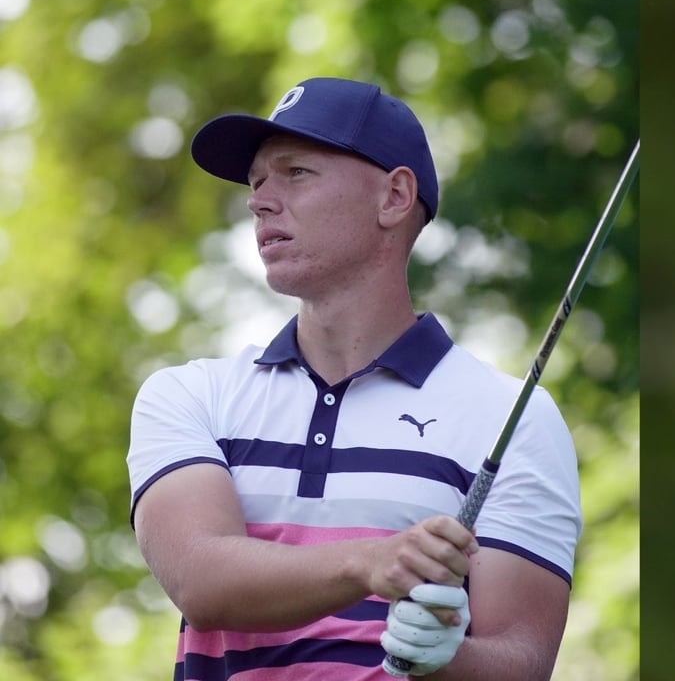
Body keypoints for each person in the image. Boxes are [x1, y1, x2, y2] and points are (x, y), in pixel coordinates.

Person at [127, 77, 581, 680]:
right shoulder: (190, 396)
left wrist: (445, 661)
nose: (260, 201)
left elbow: (521, 665)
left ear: (394, 197)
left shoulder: (515, 415)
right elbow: (201, 581)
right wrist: (371, 563)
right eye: (257, 183)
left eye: (295, 173)